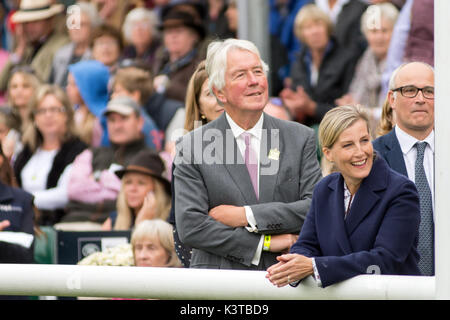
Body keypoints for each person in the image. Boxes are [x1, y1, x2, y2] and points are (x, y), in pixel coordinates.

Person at [173, 38, 322, 271]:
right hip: (220, 285)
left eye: (257, 71)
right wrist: (264, 242)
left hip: (287, 278)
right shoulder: (191, 146)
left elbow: (315, 208)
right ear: (219, 92)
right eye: (240, 75)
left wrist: (246, 215)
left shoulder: (300, 137)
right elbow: (191, 226)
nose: (254, 81)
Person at [266, 105, 421, 288]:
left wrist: (314, 267)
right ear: (328, 153)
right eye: (348, 145)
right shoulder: (324, 189)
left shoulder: (401, 191)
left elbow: (386, 259)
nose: (360, 152)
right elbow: (306, 244)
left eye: (364, 140)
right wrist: (293, 263)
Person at [373, 61, 435, 276]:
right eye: (409, 90)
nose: (420, 99)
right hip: (391, 284)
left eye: (429, 91)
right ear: (392, 99)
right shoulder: (371, 158)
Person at [169, 60, 225, 267]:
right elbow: (183, 228)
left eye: (224, 90)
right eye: (210, 94)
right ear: (199, 105)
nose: (220, 99)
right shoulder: (188, 152)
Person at [64, 95, 151, 225]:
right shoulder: (91, 153)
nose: (117, 126)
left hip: (120, 226)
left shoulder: (152, 157)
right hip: (73, 222)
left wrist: (98, 178)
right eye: (112, 120)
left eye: (124, 119)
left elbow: (134, 195)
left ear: (140, 122)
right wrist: (114, 185)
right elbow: (73, 190)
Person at [13, 85, 87, 226]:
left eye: (54, 110)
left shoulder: (78, 150)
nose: (48, 115)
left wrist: (24, 199)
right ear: (34, 118)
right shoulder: (26, 151)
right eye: (42, 111)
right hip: (24, 222)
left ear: (66, 115)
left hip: (58, 224)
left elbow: (66, 193)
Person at [279, 4, 358, 127]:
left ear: (328, 28)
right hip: (305, 127)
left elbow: (348, 108)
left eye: (318, 25)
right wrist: (292, 102)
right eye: (308, 27)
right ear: (301, 34)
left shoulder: (346, 58)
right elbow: (297, 95)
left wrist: (311, 107)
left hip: (336, 128)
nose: (315, 31)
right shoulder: (299, 60)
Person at [336, 3, 399, 110]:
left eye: (384, 30)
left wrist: (360, 109)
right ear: (366, 34)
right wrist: (349, 103)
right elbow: (355, 93)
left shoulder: (402, 62)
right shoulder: (365, 59)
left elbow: (393, 110)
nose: (379, 37)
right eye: (374, 31)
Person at [0, 0, 69, 91]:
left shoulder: (61, 45)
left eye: (35, 22)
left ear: (50, 21)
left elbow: (45, 83)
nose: (29, 27)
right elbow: (2, 84)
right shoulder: (26, 48)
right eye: (26, 23)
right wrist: (19, 50)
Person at [102, 149, 171, 231]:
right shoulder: (114, 220)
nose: (133, 189)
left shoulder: (171, 220)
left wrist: (143, 224)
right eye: (128, 182)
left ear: (157, 189)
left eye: (141, 183)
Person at [152, 2, 206, 102]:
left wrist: (168, 86)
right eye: (168, 32)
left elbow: (198, 97)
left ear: (194, 37)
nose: (173, 36)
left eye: (179, 31)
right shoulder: (160, 61)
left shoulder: (201, 66)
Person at [50, 1, 100, 88]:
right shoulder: (60, 54)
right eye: (72, 24)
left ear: (93, 27)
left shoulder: (98, 55)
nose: (76, 29)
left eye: (82, 24)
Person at [66, 60, 110, 147]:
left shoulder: (101, 120)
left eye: (74, 85)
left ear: (89, 88)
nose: (67, 88)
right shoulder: (73, 111)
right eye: (68, 83)